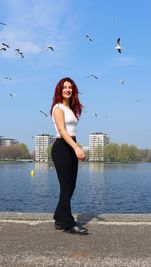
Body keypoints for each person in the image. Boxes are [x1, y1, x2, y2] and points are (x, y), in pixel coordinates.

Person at [50, 77, 88, 235]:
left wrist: (75, 146)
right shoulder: (58, 108)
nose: (68, 89)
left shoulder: (70, 108)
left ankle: (59, 217)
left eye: (70, 87)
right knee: (66, 186)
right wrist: (76, 147)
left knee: (71, 185)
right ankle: (68, 223)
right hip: (62, 147)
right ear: (60, 89)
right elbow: (62, 131)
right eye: (65, 87)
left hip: (71, 145)